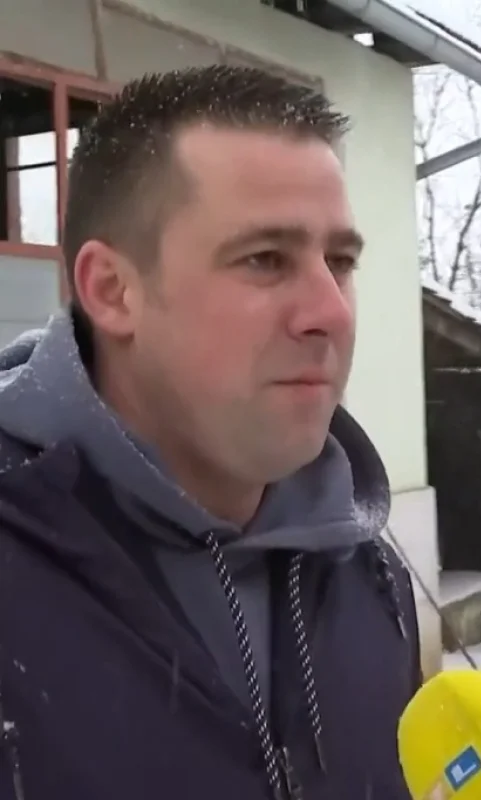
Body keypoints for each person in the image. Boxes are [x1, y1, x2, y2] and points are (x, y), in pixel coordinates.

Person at [0, 65, 422, 799]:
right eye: (265, 260)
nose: (331, 310)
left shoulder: (368, 575)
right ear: (112, 290)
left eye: (341, 261)